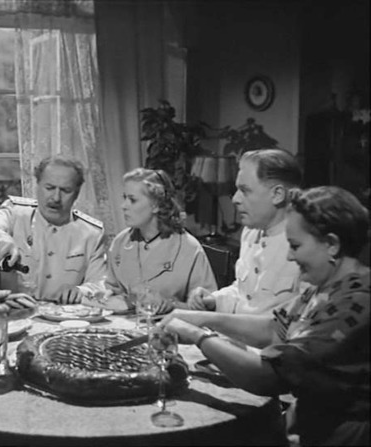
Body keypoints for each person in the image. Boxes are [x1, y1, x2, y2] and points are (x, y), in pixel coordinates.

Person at [159, 186, 370, 446]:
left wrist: (197, 335)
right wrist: (203, 318)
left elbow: (267, 377)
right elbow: (274, 329)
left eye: (296, 246)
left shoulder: (355, 304)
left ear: (331, 244)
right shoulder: (327, 287)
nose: (289, 256)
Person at [0, 155, 107, 303]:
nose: (56, 198)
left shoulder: (92, 233)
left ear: (77, 193)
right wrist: (0, 237)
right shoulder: (15, 213)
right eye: (49, 188)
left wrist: (82, 291)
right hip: (15, 312)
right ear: (37, 185)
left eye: (66, 190)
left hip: (65, 314)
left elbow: (100, 282)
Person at [79, 167, 217, 314]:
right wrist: (105, 295)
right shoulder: (121, 242)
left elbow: (207, 308)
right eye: (124, 198)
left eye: (132, 200)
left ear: (156, 205)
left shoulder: (188, 248)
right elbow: (112, 289)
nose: (123, 206)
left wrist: (172, 305)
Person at [188, 148, 304, 314]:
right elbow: (243, 293)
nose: (235, 199)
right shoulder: (251, 233)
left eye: (245, 190)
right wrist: (213, 300)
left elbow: (293, 322)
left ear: (277, 194)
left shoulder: (305, 245)